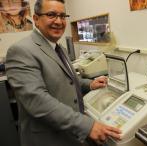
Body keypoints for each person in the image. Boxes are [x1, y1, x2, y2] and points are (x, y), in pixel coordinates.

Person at [5, 0, 121, 146]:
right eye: (51, 15)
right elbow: (37, 101)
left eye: (62, 16)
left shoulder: (60, 49)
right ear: (36, 19)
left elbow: (68, 80)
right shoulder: (21, 50)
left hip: (69, 135)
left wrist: (89, 84)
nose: (59, 21)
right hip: (48, 139)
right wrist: (87, 125)